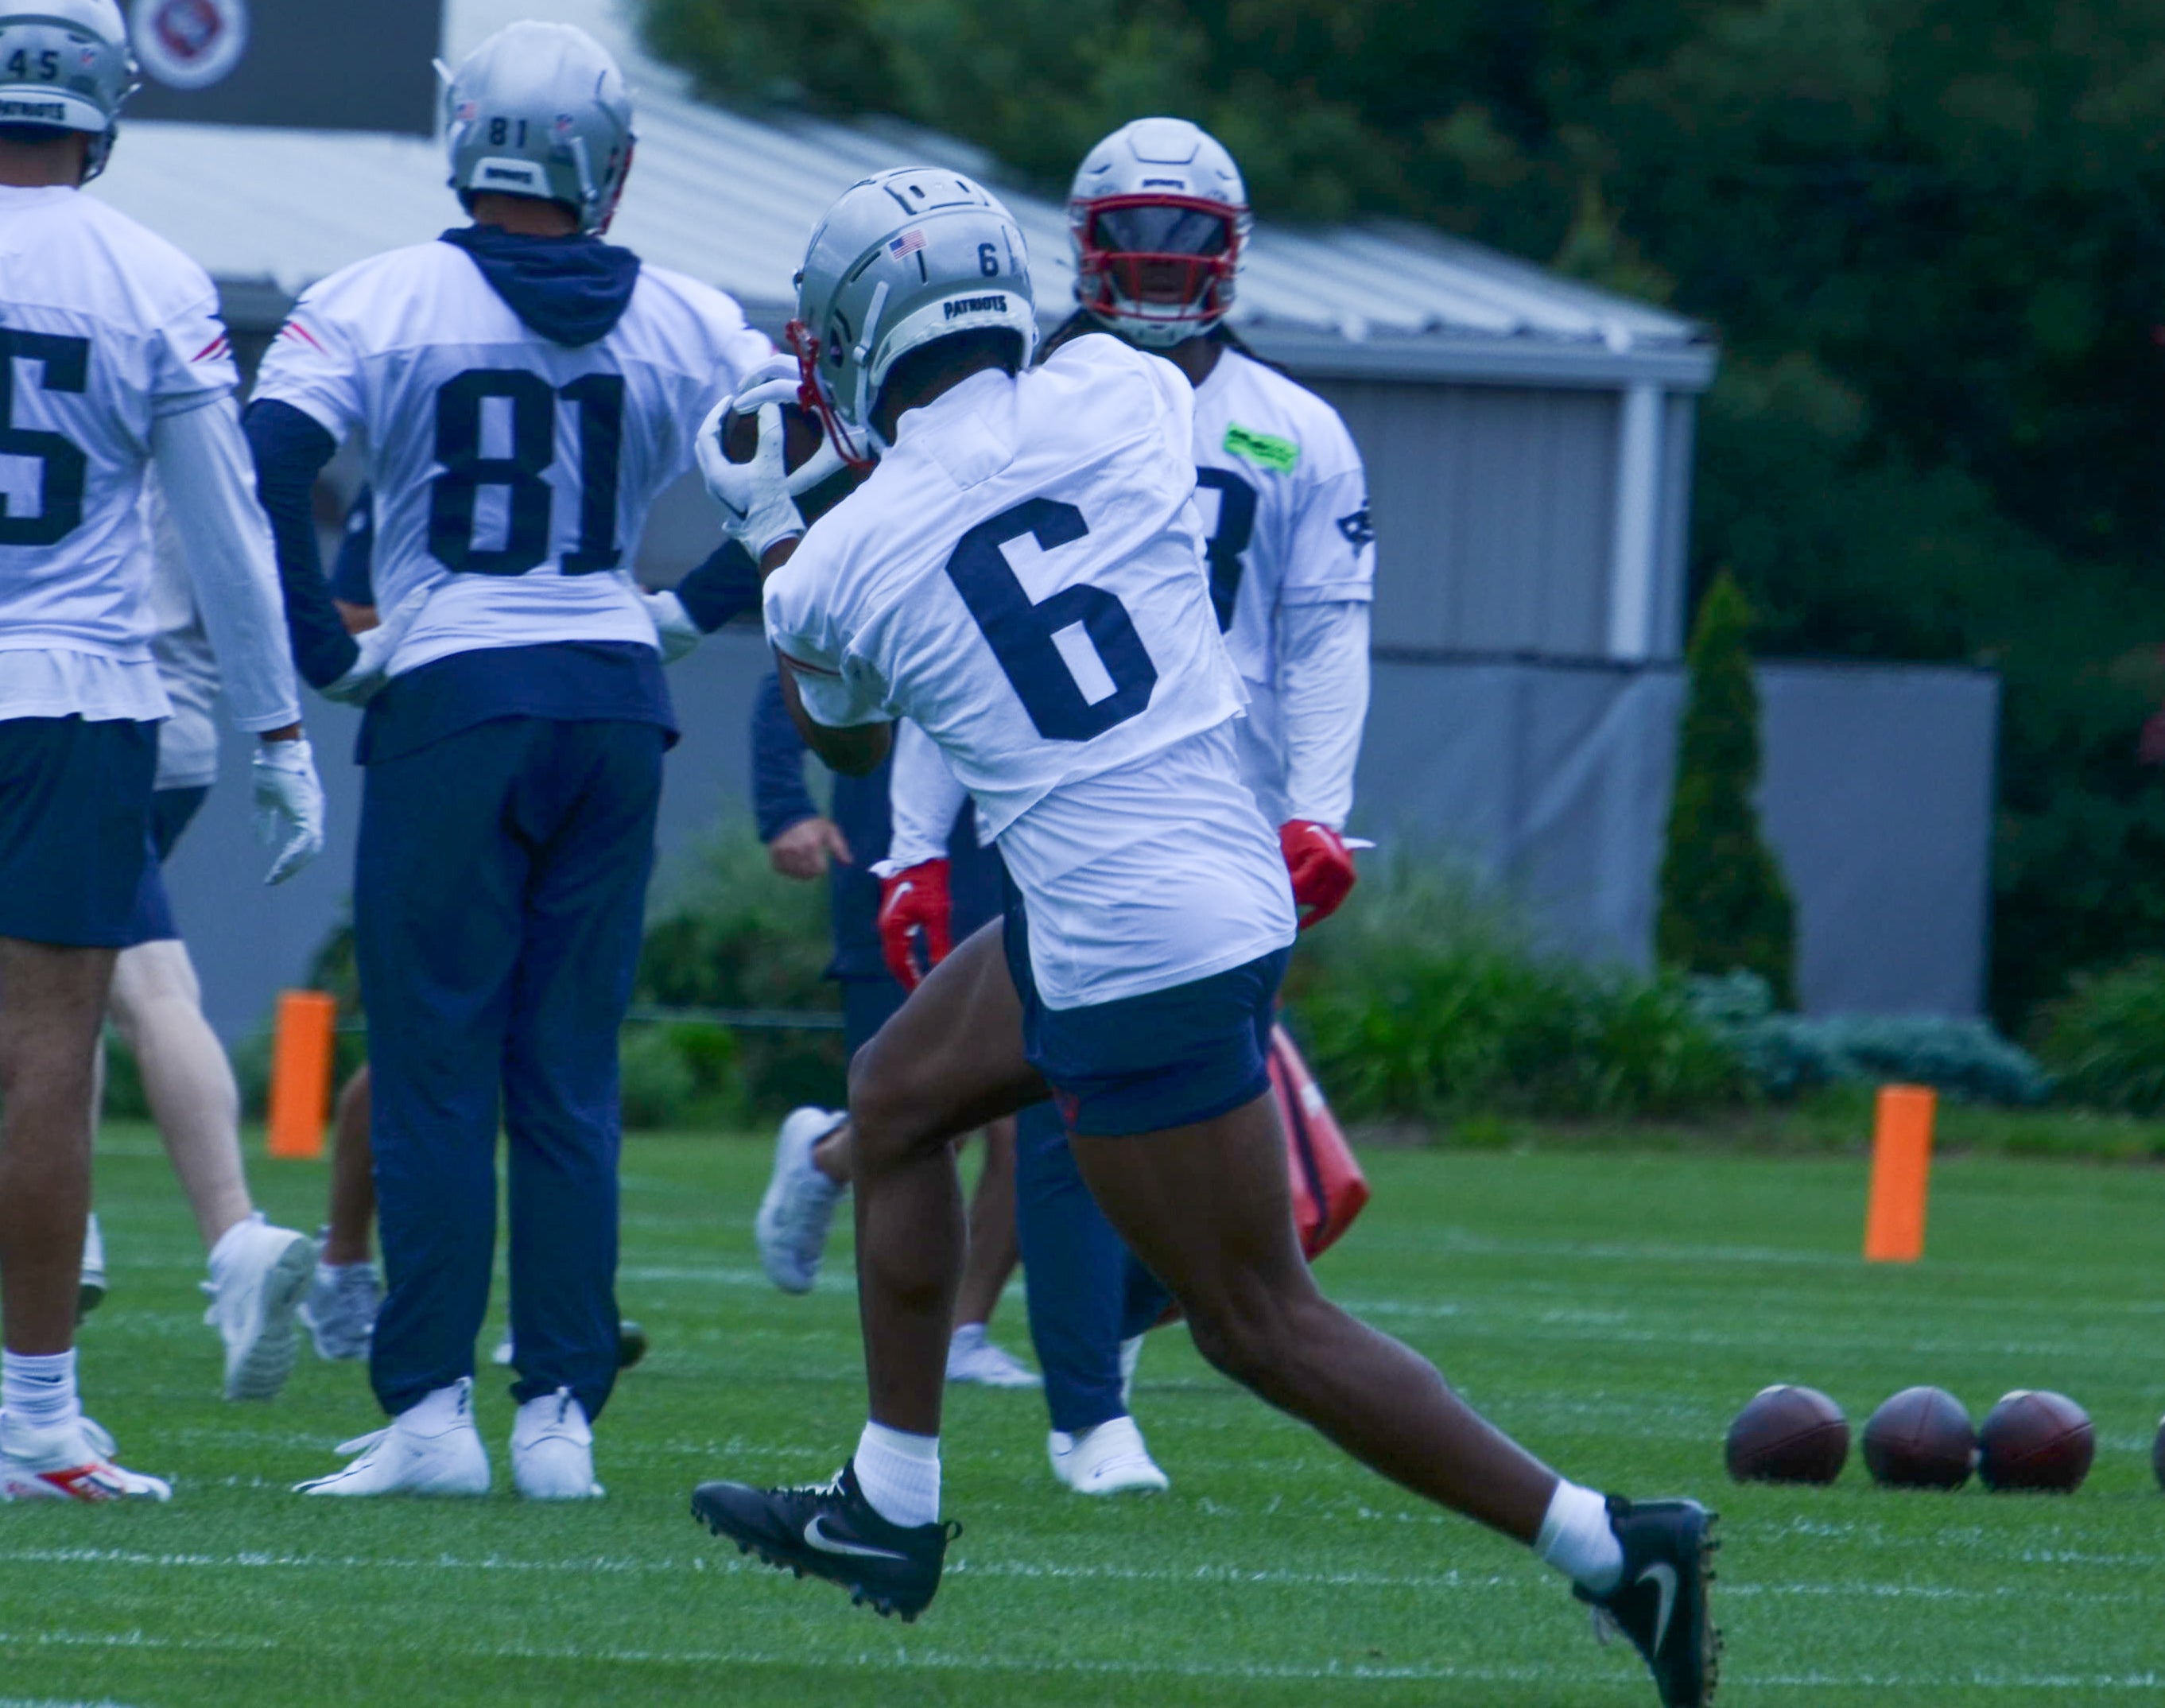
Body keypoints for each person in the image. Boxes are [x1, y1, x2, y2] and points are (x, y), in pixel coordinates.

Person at [685, 167, 1718, 1708]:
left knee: (1257, 1325)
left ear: (852, 338)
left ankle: (1607, 1543)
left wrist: (775, 532)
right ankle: (884, 1509)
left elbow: (836, 743)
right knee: (893, 1102)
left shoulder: (842, 558)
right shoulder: (1112, 390)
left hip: (1118, 936)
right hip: (1201, 876)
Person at [246, 21, 771, 1500]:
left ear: (465, 135)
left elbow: (265, 457)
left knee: (431, 1070)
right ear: (605, 162)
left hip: (456, 692)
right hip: (611, 695)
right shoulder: (687, 315)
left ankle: (428, 1410)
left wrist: (327, 655)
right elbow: (825, 447)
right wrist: (688, 611)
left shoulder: (374, 299)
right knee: (564, 1074)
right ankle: (558, 1415)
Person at [885, 116, 1383, 1496]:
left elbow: (1328, 630)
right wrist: (911, 840)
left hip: (1225, 819)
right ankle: (1084, 1408)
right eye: (1135, 239)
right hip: (1068, 796)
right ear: (1083, 248)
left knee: (1175, 1127)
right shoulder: (1032, 410)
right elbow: (952, 640)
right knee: (1062, 1101)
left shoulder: (1294, 431)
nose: (1161, 269)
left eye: (1185, 241)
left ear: (1228, 255)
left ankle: (864, 1183)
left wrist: (1320, 811)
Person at [0, 0, 324, 1500]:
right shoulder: (147, 274)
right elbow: (227, 530)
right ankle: (37, 1412)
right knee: (45, 1066)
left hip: (73, 691)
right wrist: (275, 725)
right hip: (74, 697)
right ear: (102, 104)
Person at [96, 476, 321, 1402]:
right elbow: (241, 565)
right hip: (179, 734)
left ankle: (219, 1235)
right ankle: (191, 1237)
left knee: (105, 987)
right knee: (114, 975)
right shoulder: (180, 386)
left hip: (56, 716)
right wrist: (281, 736)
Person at [751, 675, 1038, 1388]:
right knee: (927, 1117)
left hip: (1023, 864)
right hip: (898, 868)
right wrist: (787, 809)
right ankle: (827, 1160)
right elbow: (791, 673)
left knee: (1027, 1123)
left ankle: (962, 1331)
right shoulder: (882, 570)